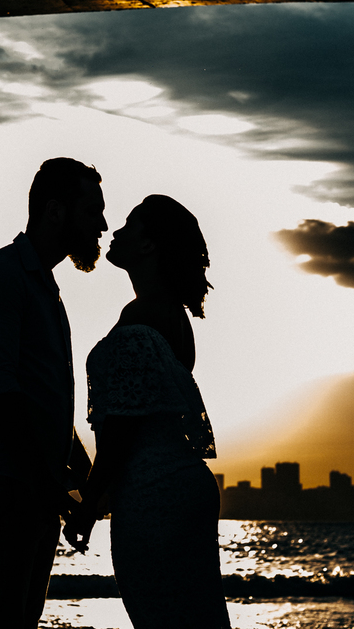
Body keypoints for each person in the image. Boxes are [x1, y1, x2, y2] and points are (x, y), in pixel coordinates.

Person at [0, 157, 105, 629]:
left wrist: (84, 476)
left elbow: (42, 404)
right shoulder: (2, 279)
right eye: (92, 209)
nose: (102, 224)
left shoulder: (44, 287)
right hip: (4, 491)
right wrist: (49, 482)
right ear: (56, 212)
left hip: (30, 493)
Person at [64, 194, 231, 629]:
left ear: (149, 245)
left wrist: (87, 503)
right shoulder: (174, 316)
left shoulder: (145, 314)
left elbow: (123, 426)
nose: (115, 232)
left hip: (154, 490)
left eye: (129, 225)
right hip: (178, 480)